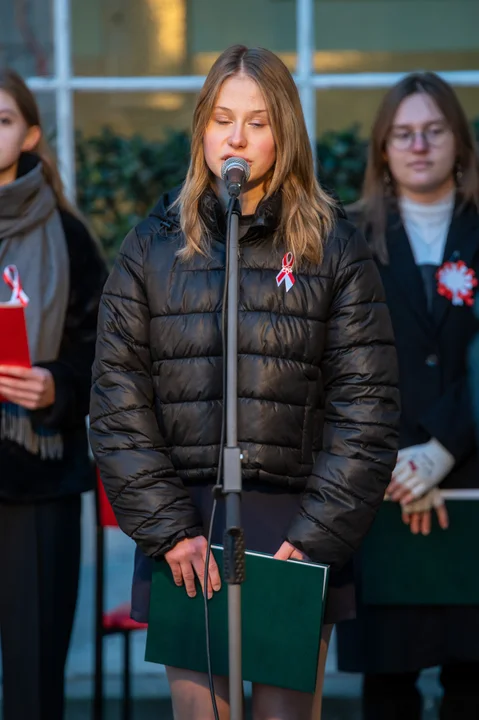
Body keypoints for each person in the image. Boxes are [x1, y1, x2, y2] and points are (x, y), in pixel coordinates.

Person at [89, 45, 400, 720]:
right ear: (201, 128)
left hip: (295, 524)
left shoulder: (333, 247)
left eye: (257, 121)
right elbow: (117, 402)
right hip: (187, 529)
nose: (237, 137)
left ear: (284, 132)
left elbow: (367, 411)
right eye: (222, 118)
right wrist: (169, 530)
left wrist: (317, 536)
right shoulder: (150, 248)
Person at [336, 72, 479, 720]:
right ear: (382, 148)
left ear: (458, 140)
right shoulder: (345, 238)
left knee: (471, 682)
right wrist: (401, 462)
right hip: (382, 486)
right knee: (386, 687)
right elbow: (338, 362)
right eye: (402, 133)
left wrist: (441, 450)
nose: (418, 145)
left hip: (470, 478)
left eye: (433, 130)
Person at [0, 69, 107, 720]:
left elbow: (106, 357)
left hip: (38, 479)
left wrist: (55, 386)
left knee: (34, 682)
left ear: (30, 134)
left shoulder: (68, 238)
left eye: (2, 119)